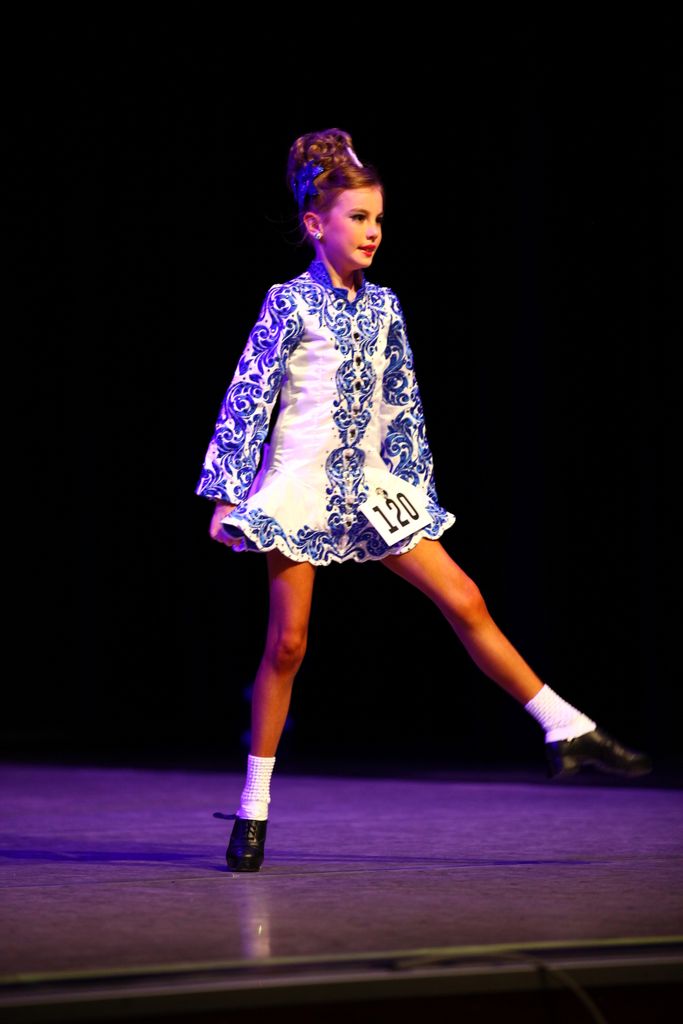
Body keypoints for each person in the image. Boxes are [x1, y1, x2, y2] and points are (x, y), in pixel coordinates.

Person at [195, 128, 652, 873]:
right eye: (357, 218)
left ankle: (565, 727)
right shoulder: (287, 302)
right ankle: (254, 806)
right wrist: (224, 494)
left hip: (373, 484)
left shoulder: (386, 308)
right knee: (288, 645)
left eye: (378, 218)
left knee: (464, 596)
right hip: (299, 486)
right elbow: (248, 395)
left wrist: (415, 492)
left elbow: (402, 407)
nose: (372, 231)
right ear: (315, 224)